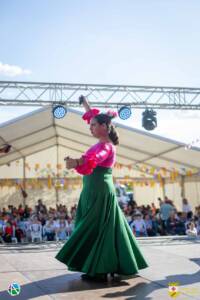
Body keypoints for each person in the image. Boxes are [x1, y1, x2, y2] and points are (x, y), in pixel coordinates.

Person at [55, 96, 148, 281]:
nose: (90, 127)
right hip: (93, 189)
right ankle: (108, 265)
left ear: (105, 127)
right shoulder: (101, 142)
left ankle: (100, 269)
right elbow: (92, 117)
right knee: (103, 226)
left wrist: (77, 161)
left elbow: (95, 159)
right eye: (90, 125)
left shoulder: (106, 146)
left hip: (99, 190)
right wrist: (85, 104)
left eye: (94, 125)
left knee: (96, 227)